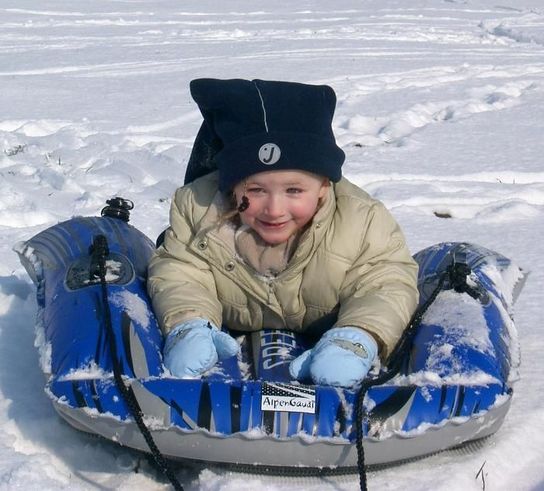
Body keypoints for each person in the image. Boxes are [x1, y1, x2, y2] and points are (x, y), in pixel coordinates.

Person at [147, 78, 419, 388]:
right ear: (230, 187)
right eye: (256, 190)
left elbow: (384, 282)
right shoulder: (200, 214)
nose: (274, 209)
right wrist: (188, 324)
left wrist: (358, 336)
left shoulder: (361, 221)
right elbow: (181, 273)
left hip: (335, 336)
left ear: (323, 187)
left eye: (294, 190)